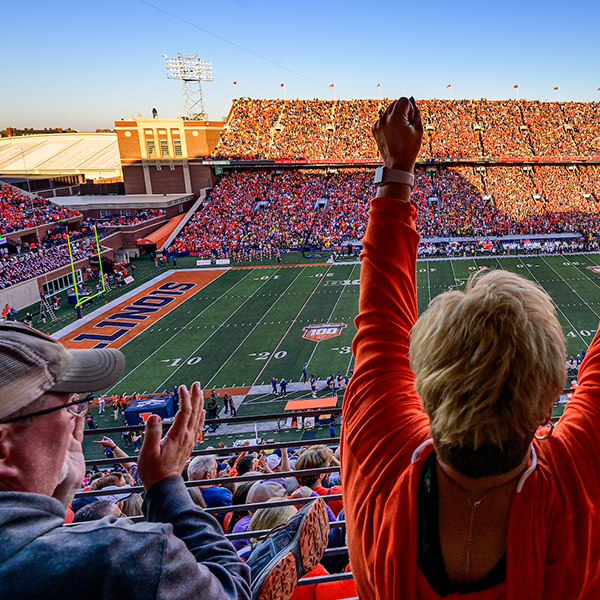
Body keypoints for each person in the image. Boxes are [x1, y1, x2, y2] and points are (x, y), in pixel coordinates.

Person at [342, 96, 600, 599]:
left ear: (424, 386)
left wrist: (397, 171)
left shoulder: (386, 456)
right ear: (550, 398)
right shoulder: (573, 480)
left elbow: (380, 324)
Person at [0, 322, 252, 600]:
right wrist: (166, 485)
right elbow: (233, 593)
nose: (76, 416)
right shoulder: (119, 554)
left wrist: (59, 493)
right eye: (68, 405)